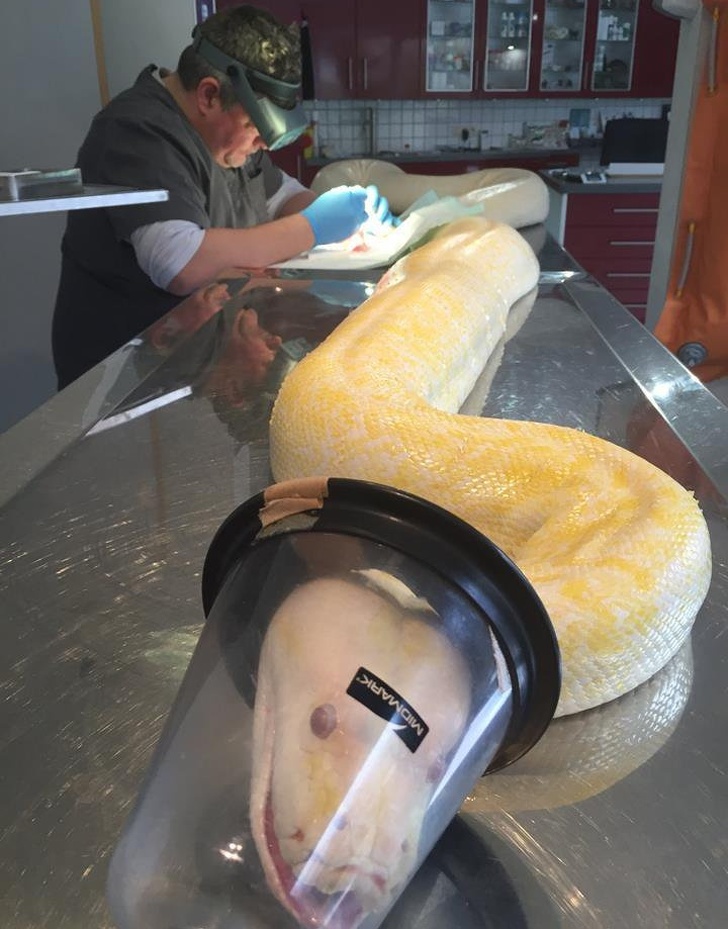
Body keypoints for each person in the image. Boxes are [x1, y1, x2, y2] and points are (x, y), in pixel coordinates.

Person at [52, 4, 394, 389]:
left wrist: (352, 214)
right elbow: (182, 263)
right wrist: (313, 227)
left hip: (194, 358)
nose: (263, 142)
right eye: (254, 126)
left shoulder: (227, 139)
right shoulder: (137, 131)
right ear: (209, 96)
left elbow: (281, 197)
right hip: (120, 381)